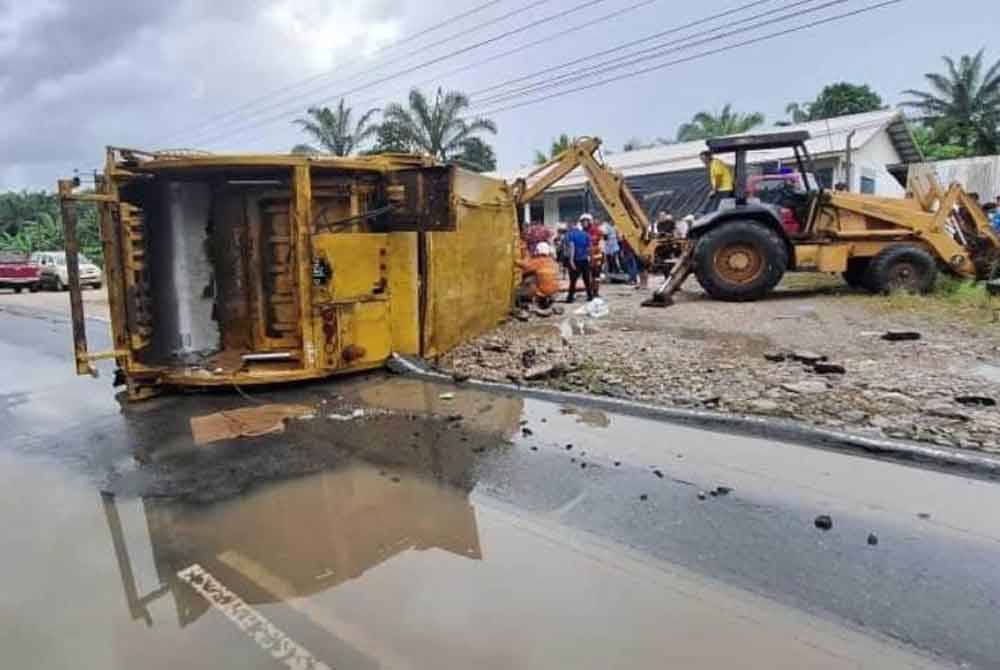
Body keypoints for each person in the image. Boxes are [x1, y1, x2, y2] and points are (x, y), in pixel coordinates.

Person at [516, 241, 560, 308]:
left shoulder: (538, 261)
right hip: (554, 290)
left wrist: (514, 260)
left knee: (528, 280)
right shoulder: (552, 261)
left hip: (543, 291)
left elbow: (525, 266)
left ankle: (526, 300)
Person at [565, 217, 594, 302]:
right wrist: (591, 258)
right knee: (587, 279)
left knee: (573, 280)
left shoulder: (570, 235)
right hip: (585, 260)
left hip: (575, 260)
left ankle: (570, 298)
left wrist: (571, 260)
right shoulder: (586, 234)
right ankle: (590, 296)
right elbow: (589, 248)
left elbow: (571, 247)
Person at [700, 149, 734, 214]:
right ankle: (703, 212)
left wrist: (714, 190)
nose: (703, 161)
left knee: (722, 208)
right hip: (721, 189)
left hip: (724, 189)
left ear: (709, 157)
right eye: (701, 159)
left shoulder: (716, 163)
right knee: (713, 203)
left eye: (703, 158)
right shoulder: (714, 163)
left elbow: (718, 177)